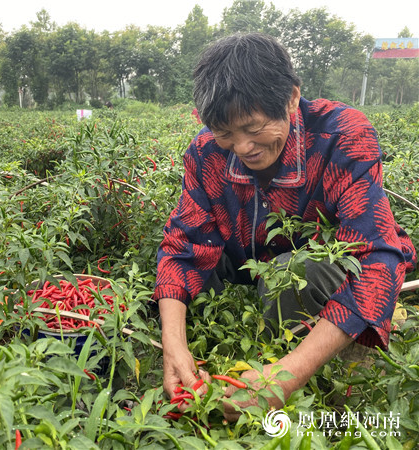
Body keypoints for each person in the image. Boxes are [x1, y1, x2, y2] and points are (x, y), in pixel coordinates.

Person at [154, 32, 417, 422]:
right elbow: (183, 247)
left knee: (291, 278)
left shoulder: (342, 135)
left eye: (254, 127)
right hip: (246, 254)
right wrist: (172, 347)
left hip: (314, 265)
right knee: (170, 279)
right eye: (225, 132)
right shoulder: (206, 153)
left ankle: (343, 369)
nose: (242, 147)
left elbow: (376, 259)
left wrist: (285, 377)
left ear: (292, 98)